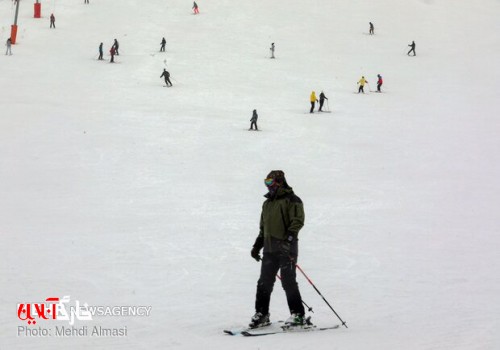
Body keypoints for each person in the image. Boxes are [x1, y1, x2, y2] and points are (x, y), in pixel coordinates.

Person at [249, 170, 307, 329]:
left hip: (286, 248)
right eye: (266, 182)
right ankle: (262, 314)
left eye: (270, 182)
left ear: (280, 182)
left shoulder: (292, 200)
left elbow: (298, 221)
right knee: (264, 282)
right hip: (269, 249)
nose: (268, 186)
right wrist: (257, 246)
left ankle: (298, 315)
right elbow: (263, 228)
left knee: (288, 281)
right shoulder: (267, 203)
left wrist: (288, 240)